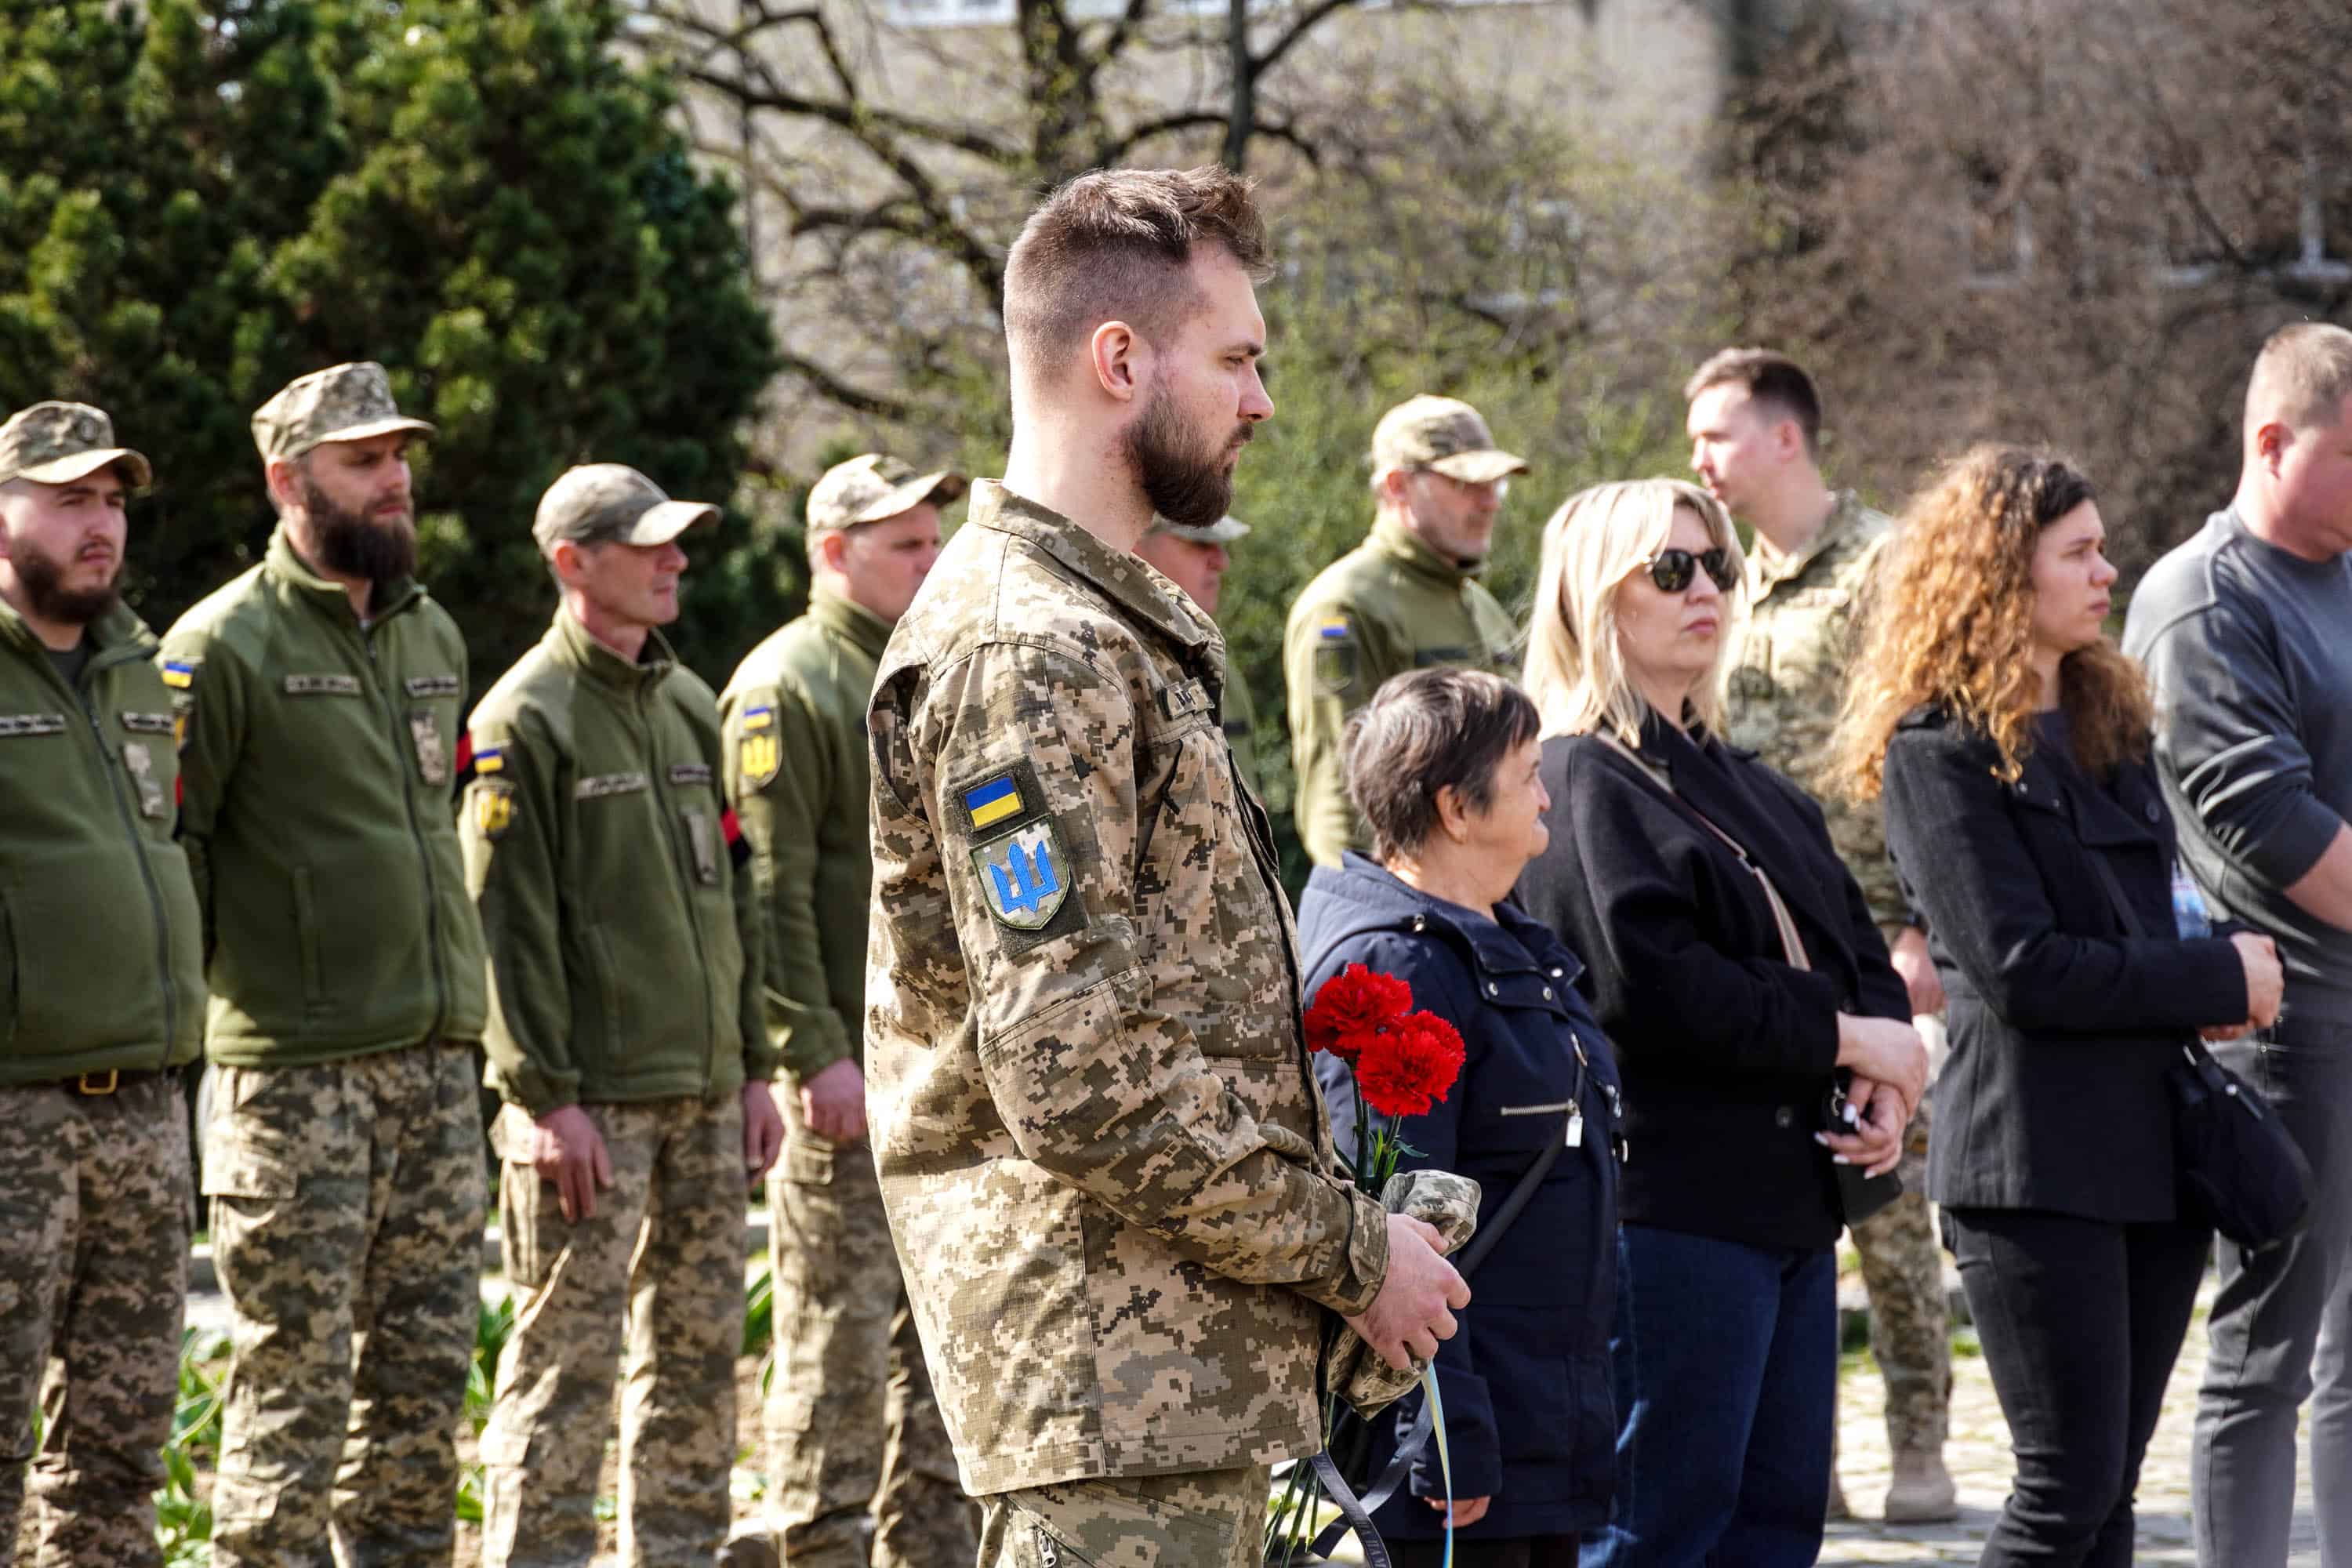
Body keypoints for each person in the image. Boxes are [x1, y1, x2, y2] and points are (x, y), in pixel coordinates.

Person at [863, 165, 1470, 1568]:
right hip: (1108, 1392)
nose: (1264, 401)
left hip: (1166, 1381)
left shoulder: (1101, 628)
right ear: (1120, 361)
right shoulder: (1031, 648)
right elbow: (1071, 1067)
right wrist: (1352, 1253)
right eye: (1238, 359)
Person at [1840, 445, 2282, 1567]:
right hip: (2031, 1165)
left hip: (2152, 1151)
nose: (2106, 571)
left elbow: (2150, 921)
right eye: (2078, 552)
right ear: (2000, 573)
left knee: (2113, 1495)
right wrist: (2215, 978)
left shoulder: (2106, 725)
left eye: (2102, 548)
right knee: (2061, 1493)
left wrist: (2214, 967)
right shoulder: (1937, 753)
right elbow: (2022, 970)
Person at [1513, 477, 1926, 1568]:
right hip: (1672, 1213)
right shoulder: (1574, 773)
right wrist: (1847, 1039)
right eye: (1670, 568)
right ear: (1594, 594)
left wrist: (1883, 1074)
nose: (1706, 587)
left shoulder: (1754, 782)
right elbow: (1648, 985)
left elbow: (1855, 945)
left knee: (1775, 1531)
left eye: (1720, 566)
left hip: (1790, 1206)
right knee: (1657, 1533)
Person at [162, 361, 490, 1568]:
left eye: (399, 457)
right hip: (296, 1083)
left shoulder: (430, 630)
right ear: (286, 481)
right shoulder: (219, 646)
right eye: (363, 462)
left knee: (423, 1396)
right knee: (294, 1398)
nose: (395, 480)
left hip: (435, 1071)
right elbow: (179, 859)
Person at [460, 463, 784, 1567]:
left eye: (677, 541)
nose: (676, 560)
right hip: (589, 1109)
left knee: (696, 1368)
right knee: (565, 1370)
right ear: (573, 562)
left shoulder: (689, 702)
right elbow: (503, 926)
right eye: (649, 545)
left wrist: (751, 1067)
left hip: (705, 1094)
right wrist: (543, 1097)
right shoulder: (522, 718)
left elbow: (733, 894)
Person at [1685, 347, 1956, 1522]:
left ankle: (1921, 1440)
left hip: (1868, 926)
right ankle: (1812, 1445)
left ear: (1785, 436)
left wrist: (1921, 922)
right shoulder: (1719, 575)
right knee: (1785, 1192)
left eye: (1717, 435)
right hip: (1757, 934)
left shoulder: (1886, 565)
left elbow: (1931, 747)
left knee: (1889, 1204)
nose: (1699, 459)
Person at [1300, 669, 1621, 1568]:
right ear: (1456, 807)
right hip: (1466, 1445)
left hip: (1539, 1415)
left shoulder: (1504, 937)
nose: (1546, 794)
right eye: (1527, 774)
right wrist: (1442, 1427)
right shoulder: (1395, 965)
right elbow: (1397, 1228)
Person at [2123, 321, 2352, 1568]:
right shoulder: (2204, 600)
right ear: (2273, 442)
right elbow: (2277, 831)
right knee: (2268, 1355)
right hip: (2287, 1030)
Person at [719, 450, 974, 1568]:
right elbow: (768, 891)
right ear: (834, 552)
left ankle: (929, 1549)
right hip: (847, 1072)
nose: (929, 559)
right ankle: (820, 1548)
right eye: (904, 543)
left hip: (936, 1065)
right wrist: (807, 1049)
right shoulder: (789, 683)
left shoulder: (920, 665)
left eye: (933, 540)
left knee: (940, 1341)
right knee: (836, 1341)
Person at [0, 405, 205, 1565]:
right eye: (70, 498)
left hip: (145, 1109)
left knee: (121, 1454)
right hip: (15, 1114)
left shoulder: (139, 668)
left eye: (115, 501)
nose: (103, 524)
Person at [1285, 394, 1527, 866]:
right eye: (1466, 483)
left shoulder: (1482, 606)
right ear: (1398, 487)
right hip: (1413, 893)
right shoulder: (1345, 606)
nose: (1489, 503)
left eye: (1495, 485)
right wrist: (1366, 899)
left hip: (1493, 885)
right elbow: (1339, 784)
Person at [1135, 510, 1266, 797]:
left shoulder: (1214, 660)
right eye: (1200, 543)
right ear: (1136, 544)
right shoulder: (1117, 663)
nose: (1221, 561)